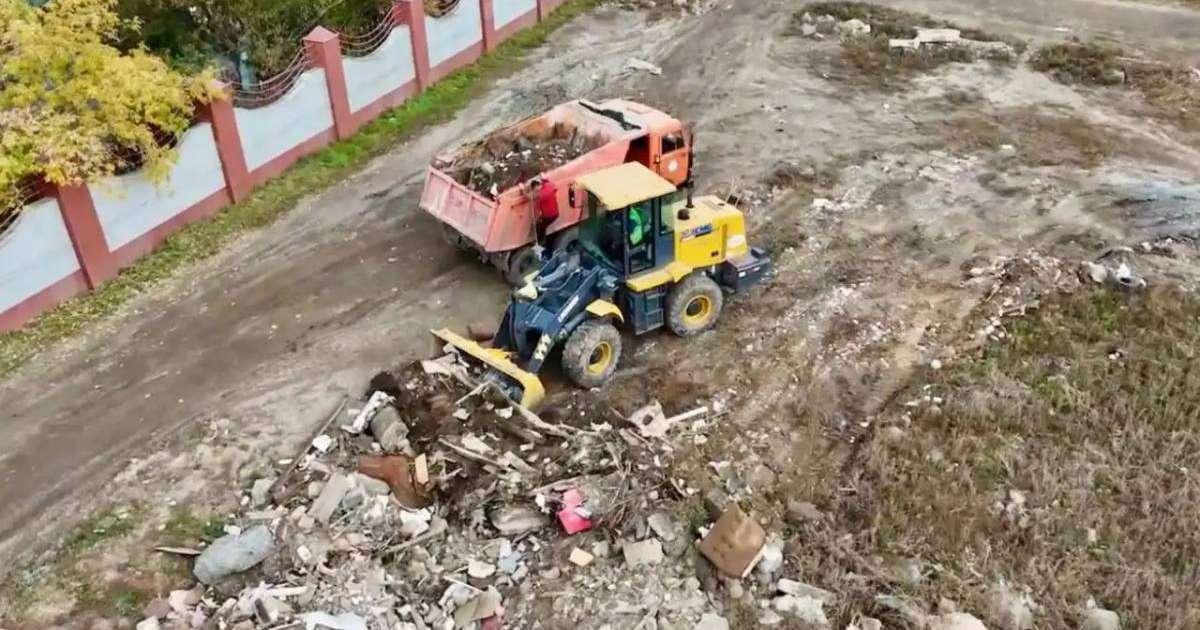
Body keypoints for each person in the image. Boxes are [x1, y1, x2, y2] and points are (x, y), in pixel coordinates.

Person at [533, 178, 559, 249]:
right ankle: (542, 240)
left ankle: (541, 242)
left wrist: (523, 192)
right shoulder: (549, 185)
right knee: (542, 224)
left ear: (536, 187)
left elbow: (531, 198)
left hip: (549, 216)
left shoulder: (541, 195)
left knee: (541, 226)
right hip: (555, 212)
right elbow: (551, 183)